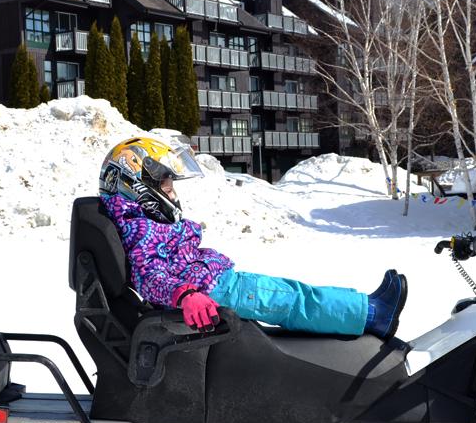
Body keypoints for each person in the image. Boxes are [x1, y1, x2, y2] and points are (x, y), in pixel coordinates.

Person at [99, 136, 407, 339]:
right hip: (215, 293)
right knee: (294, 302)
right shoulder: (139, 228)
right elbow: (148, 276)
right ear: (136, 185)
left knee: (294, 293)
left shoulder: (141, 220)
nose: (173, 194)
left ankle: (362, 305)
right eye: (166, 186)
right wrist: (185, 295)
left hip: (217, 284)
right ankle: (371, 313)